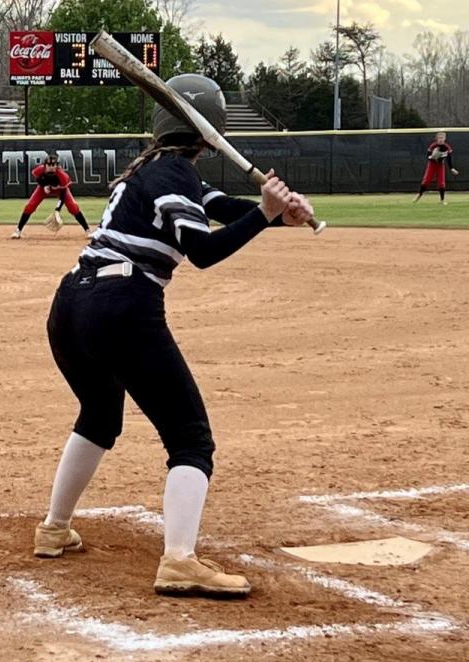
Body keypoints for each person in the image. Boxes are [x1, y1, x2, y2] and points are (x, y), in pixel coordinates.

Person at [32, 74, 315, 597]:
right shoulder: (175, 176)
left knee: (99, 414)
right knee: (190, 439)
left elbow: (220, 207)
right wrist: (265, 214)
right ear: (210, 130)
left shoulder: (149, 171)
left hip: (71, 304)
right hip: (122, 305)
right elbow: (203, 251)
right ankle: (180, 561)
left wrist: (277, 217)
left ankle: (53, 529)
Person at [10, 151, 92, 239]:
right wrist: (44, 186)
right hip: (43, 189)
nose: (51, 166)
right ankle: (18, 230)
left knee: (73, 207)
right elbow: (38, 179)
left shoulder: (62, 176)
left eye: (54, 164)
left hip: (60, 190)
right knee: (30, 206)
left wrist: (57, 209)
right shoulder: (40, 170)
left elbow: (63, 195)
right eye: (49, 164)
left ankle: (87, 230)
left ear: (57, 166)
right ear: (45, 165)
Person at [414, 131, 458, 204]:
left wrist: (451, 168)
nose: (441, 139)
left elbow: (449, 158)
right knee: (426, 180)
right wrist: (433, 157)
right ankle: (419, 195)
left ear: (445, 139)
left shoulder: (447, 147)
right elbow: (428, 156)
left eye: (442, 138)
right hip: (432, 164)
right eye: (439, 138)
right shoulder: (433, 145)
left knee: (441, 182)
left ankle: (442, 200)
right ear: (437, 139)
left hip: (440, 165)